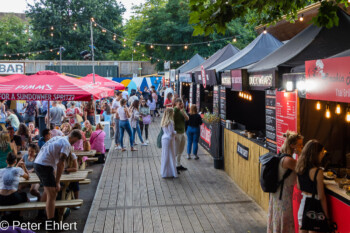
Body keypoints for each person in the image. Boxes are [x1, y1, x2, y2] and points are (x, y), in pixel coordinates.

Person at [34, 130, 82, 221]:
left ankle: (41, 214)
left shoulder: (59, 138)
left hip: (38, 163)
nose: (74, 143)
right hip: (44, 165)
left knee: (48, 191)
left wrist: (55, 178)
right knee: (52, 195)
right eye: (75, 141)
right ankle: (51, 222)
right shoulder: (66, 144)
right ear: (74, 137)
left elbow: (54, 161)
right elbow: (61, 164)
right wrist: (57, 182)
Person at [267, 131, 304, 233]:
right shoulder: (288, 160)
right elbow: (301, 169)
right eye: (299, 145)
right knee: (284, 222)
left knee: (278, 221)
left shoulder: (282, 155)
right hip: (283, 197)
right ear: (292, 145)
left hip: (278, 195)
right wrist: (300, 153)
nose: (302, 146)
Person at [296, 140, 329, 233]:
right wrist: (327, 217)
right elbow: (322, 197)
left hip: (303, 205)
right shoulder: (318, 172)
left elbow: (299, 186)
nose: (323, 155)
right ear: (316, 154)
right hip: (314, 207)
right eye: (321, 152)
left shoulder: (299, 167)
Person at [160, 108, 177, 178]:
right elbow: (171, 132)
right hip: (169, 139)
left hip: (164, 138)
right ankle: (171, 172)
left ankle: (164, 172)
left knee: (165, 155)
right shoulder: (170, 122)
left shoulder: (163, 121)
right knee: (171, 155)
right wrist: (176, 133)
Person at [173, 98, 189, 172]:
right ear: (176, 104)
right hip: (177, 133)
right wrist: (173, 133)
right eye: (180, 104)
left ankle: (178, 164)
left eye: (182, 103)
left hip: (183, 132)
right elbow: (172, 121)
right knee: (176, 150)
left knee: (181, 150)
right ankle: (173, 166)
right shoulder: (174, 111)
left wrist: (183, 112)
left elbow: (187, 118)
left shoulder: (182, 110)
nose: (181, 105)